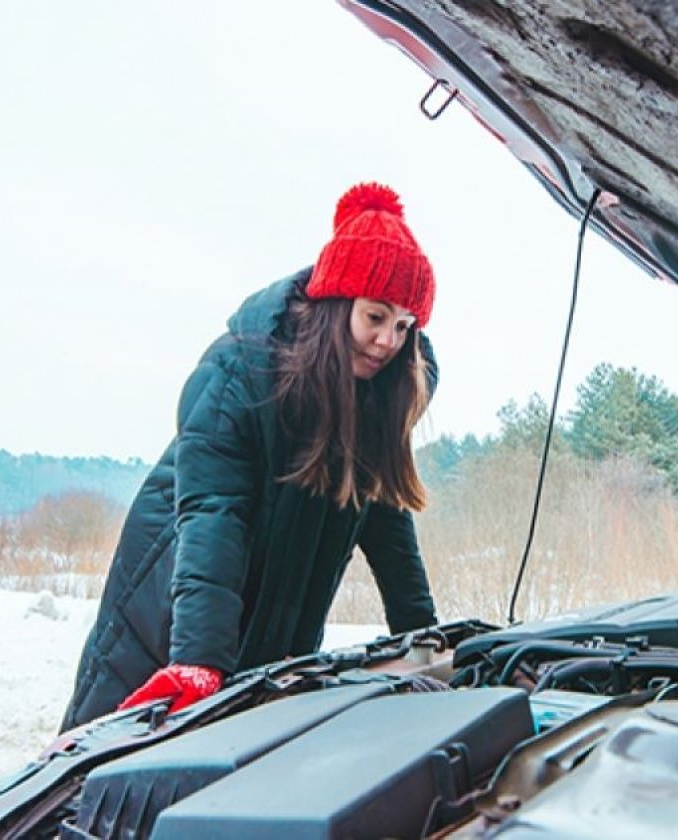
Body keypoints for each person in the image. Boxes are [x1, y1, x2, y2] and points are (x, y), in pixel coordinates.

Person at [60, 182, 441, 731]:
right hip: (174, 605)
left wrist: (422, 633)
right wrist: (196, 660)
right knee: (109, 763)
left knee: (238, 752)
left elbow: (383, 520)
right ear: (337, 305)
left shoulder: (375, 396)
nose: (387, 341)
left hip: (279, 610)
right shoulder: (243, 374)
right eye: (375, 317)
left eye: (404, 326)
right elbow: (215, 513)